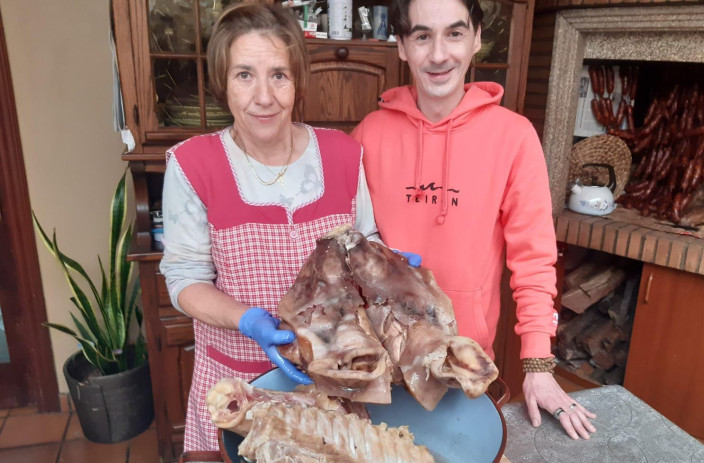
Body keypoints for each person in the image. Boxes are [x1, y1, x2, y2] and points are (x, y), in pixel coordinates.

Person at [159, 3, 417, 451]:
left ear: (297, 81)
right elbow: (184, 279)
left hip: (335, 380)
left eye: (278, 74)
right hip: (240, 386)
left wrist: (388, 267)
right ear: (223, 82)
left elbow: (364, 242)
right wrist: (246, 320)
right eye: (244, 75)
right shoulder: (192, 164)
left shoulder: (341, 154)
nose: (264, 96)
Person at [351, 0, 597, 440]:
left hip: (464, 364)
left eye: (455, 33)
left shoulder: (514, 137)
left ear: (477, 38)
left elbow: (535, 258)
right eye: (423, 36)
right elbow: (345, 244)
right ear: (403, 46)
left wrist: (537, 364)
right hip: (382, 363)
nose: (440, 54)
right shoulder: (369, 133)